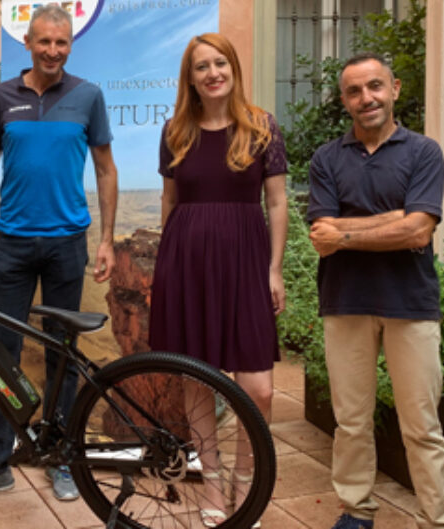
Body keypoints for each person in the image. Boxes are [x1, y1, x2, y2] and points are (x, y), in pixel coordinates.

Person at [0, 3, 118, 505]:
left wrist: (107, 239)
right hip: (13, 243)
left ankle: (61, 455)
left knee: (60, 354)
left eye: (61, 42)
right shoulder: (3, 97)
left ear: (71, 45)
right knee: (0, 354)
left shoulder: (88, 96)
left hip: (67, 243)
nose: (52, 51)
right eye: (43, 41)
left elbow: (106, 169)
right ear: (27, 42)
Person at [307, 52, 444, 529]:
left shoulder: (424, 152)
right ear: (344, 100)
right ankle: (356, 511)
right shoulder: (327, 158)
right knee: (351, 422)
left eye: (374, 86)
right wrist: (396, 219)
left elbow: (418, 230)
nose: (365, 98)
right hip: (345, 300)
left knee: (422, 426)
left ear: (394, 89)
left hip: (411, 303)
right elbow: (321, 236)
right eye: (354, 91)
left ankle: (435, 519)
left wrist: (348, 233)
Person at [148, 32, 287, 528]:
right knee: (197, 378)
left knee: (259, 388)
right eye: (202, 66)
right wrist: (166, 269)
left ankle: (245, 478)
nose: (213, 73)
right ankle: (211, 480)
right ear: (190, 78)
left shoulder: (262, 127)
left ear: (233, 69)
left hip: (246, 262)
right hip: (187, 262)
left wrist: (274, 269)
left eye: (220, 63)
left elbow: (276, 202)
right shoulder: (175, 131)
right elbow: (169, 201)